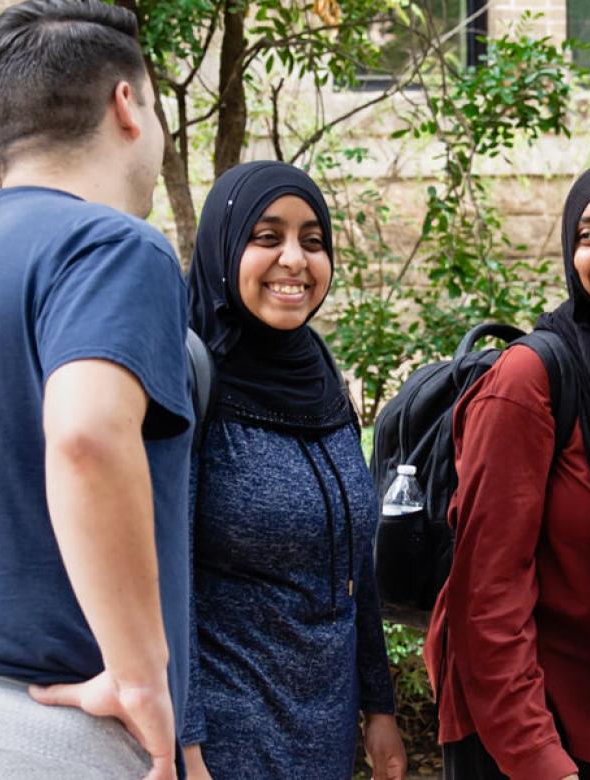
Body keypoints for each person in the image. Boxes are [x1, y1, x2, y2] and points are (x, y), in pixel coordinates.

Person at [425, 160, 590, 780]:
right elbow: (486, 590)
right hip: (548, 736)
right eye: (588, 235)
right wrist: (536, 756)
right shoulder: (529, 381)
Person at [0, 1, 192, 778]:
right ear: (126, 104)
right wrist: (138, 676)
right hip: (60, 723)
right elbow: (86, 435)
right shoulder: (110, 246)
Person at [181, 160, 406, 780]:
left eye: (313, 241)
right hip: (227, 743)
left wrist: (378, 706)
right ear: (226, 249)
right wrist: (184, 744)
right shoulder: (191, 378)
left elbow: (354, 559)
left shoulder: (318, 373)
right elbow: (164, 576)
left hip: (324, 735)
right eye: (266, 237)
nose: (295, 260)